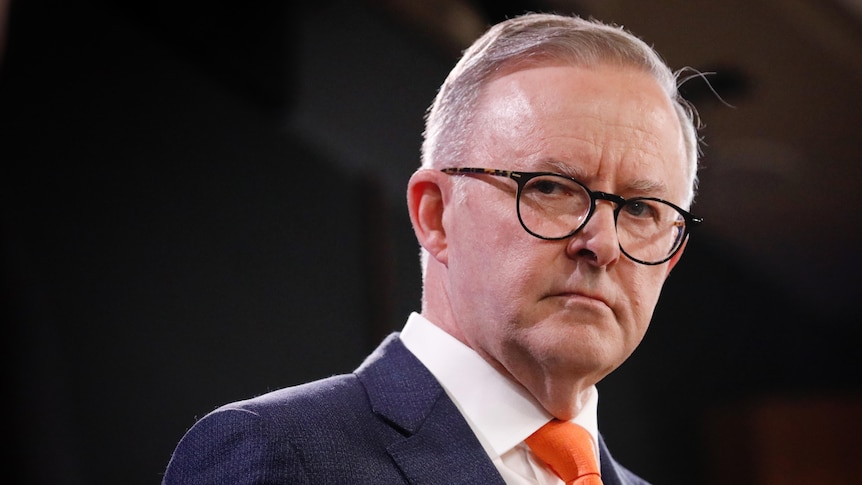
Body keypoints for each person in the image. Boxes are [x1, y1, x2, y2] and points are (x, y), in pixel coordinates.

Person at [163, 12, 703, 485]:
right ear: (435, 215)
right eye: (551, 188)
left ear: (673, 255)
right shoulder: (279, 455)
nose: (602, 243)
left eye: (640, 210)